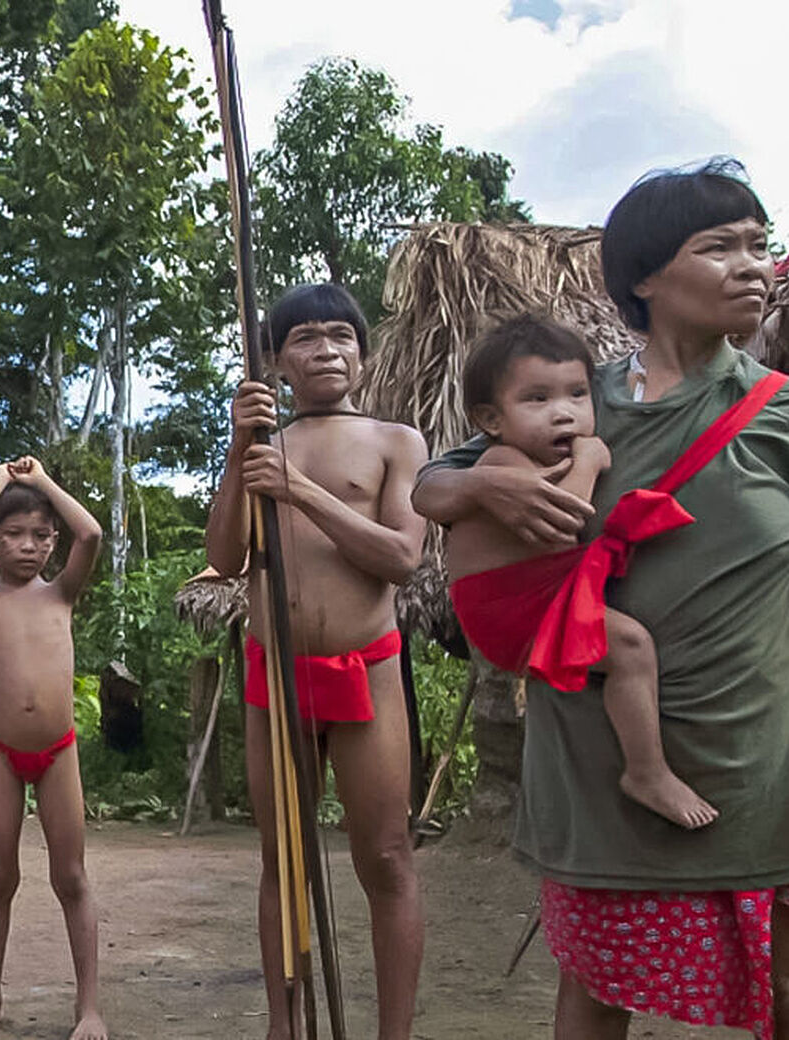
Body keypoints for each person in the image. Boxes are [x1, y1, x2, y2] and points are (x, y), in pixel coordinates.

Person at [413, 160, 784, 1040]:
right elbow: (430, 487)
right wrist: (482, 488)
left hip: (755, 763)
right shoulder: (575, 403)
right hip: (595, 767)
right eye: (719, 246)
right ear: (644, 277)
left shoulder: (775, 414)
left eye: (758, 245)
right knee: (596, 985)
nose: (752, 266)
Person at [203, 284, 429, 1040]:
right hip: (276, 674)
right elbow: (224, 557)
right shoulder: (261, 443)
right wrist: (242, 450)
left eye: (340, 335)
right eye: (305, 338)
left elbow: (401, 558)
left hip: (369, 668)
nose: (326, 349)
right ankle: (283, 1025)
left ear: (362, 354)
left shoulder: (396, 441)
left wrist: (298, 490)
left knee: (387, 857)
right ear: (275, 361)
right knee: (284, 859)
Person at [444, 315, 716, 829]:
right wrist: (589, 461)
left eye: (576, 394)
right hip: (508, 608)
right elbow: (563, 522)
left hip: (533, 591)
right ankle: (646, 772)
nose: (563, 413)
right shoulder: (501, 461)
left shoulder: (529, 455)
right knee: (631, 647)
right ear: (491, 418)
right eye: (537, 399)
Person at [0, 456, 105, 1040]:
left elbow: (91, 533)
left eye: (40, 535)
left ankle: (89, 1007)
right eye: (13, 534)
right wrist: (2, 478)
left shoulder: (62, 593)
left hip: (59, 752)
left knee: (71, 877)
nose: (28, 545)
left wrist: (40, 481)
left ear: (53, 542)